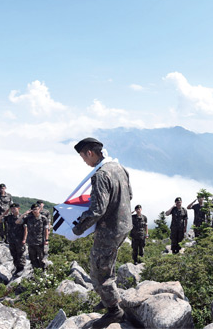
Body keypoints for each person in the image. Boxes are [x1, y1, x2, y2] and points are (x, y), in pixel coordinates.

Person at [71, 137, 133, 328]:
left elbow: (98, 210)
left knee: (99, 271)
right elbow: (129, 195)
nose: (84, 161)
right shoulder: (119, 168)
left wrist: (78, 228)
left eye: (83, 157)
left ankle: (115, 311)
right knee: (108, 263)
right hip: (124, 225)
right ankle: (108, 299)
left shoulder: (100, 175)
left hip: (110, 230)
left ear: (89, 153)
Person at [0, 203, 26, 274]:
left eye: (14, 208)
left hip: (19, 240)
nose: (13, 210)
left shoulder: (22, 217)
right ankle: (17, 268)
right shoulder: (9, 217)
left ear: (18, 208)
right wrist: (4, 214)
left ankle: (21, 268)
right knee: (14, 255)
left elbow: (26, 229)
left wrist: (24, 239)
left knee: (20, 255)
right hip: (11, 239)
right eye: (11, 209)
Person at [22, 203, 49, 269]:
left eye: (36, 209)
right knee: (32, 258)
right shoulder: (28, 218)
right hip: (31, 242)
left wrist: (46, 239)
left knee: (42, 258)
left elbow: (46, 230)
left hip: (40, 242)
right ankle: (36, 271)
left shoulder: (43, 218)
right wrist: (25, 213)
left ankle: (43, 271)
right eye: (33, 209)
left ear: (39, 209)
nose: (35, 211)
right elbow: (18, 221)